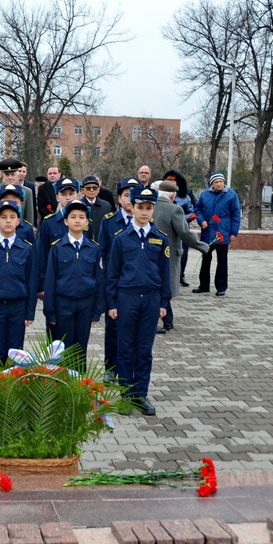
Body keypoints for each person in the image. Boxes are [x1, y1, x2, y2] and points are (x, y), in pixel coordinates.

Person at [106, 185, 172, 416]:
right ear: (131, 208)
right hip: (127, 299)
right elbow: (112, 274)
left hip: (151, 300)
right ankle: (125, 395)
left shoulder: (160, 239)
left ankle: (140, 395)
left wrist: (164, 303)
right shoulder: (121, 239)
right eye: (140, 208)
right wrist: (112, 304)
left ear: (153, 210)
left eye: (149, 208)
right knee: (125, 349)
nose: (144, 212)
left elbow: (165, 274)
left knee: (144, 350)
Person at [0, 200, 37, 369]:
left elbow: (31, 282)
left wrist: (30, 312)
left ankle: (14, 390)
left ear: (19, 221)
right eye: (3, 217)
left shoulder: (27, 249)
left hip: (18, 306)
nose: (8, 221)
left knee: (16, 352)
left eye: (12, 217)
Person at [43, 199, 104, 360]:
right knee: (62, 350)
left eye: (82, 217)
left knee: (80, 350)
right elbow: (50, 282)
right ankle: (63, 384)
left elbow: (98, 279)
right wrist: (50, 313)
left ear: (87, 222)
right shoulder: (57, 247)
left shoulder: (94, 248)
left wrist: (97, 310)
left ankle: (79, 383)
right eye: (73, 216)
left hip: (86, 305)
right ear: (65, 221)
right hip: (63, 304)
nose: (77, 220)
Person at [152, 181, 209, 332]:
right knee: (166, 287)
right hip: (168, 255)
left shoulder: (150, 206)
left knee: (156, 287)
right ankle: (166, 320)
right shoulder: (175, 209)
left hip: (150, 254)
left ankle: (167, 320)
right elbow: (184, 233)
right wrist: (202, 246)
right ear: (172, 195)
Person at [98, 178, 138, 376]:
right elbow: (102, 252)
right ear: (119, 199)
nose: (130, 199)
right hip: (115, 283)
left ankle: (129, 369)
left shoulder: (148, 224)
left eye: (134, 195)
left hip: (136, 285)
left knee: (133, 330)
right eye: (126, 195)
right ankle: (111, 368)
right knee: (112, 327)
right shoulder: (109, 221)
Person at [193, 172, 241, 296]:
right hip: (208, 232)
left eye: (221, 181)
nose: (219, 184)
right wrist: (201, 220)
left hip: (222, 232)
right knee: (205, 260)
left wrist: (234, 232)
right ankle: (204, 285)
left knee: (222, 261)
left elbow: (236, 214)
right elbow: (197, 209)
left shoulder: (231, 195)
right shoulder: (205, 194)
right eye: (216, 182)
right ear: (212, 183)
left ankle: (221, 287)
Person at [164, 169, 196, 286]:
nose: (172, 183)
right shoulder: (161, 194)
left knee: (182, 253)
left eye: (174, 181)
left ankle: (181, 275)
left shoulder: (186, 196)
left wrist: (180, 219)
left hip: (182, 228)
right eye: (169, 181)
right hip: (165, 228)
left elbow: (192, 213)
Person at [0, 158, 36, 227]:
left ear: (17, 176)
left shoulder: (27, 192)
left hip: (20, 232)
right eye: (7, 175)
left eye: (12, 174)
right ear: (2, 175)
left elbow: (29, 218)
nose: (10, 178)